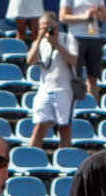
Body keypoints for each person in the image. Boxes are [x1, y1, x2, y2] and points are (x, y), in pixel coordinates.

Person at [26, 11, 78, 149]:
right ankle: (33, 158)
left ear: (57, 27)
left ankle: (65, 162)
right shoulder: (40, 42)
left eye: (51, 27)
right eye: (44, 27)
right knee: (39, 128)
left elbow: (73, 60)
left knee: (64, 130)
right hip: (44, 90)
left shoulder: (67, 38)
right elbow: (30, 60)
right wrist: (38, 39)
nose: (48, 30)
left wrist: (56, 43)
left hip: (64, 89)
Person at [59, 0, 106, 103]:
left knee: (93, 77)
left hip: (94, 38)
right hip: (76, 38)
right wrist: (84, 17)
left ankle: (94, 108)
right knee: (76, 76)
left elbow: (105, 17)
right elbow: (63, 17)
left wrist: (96, 13)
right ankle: (74, 106)